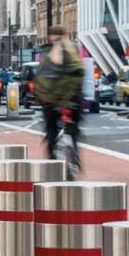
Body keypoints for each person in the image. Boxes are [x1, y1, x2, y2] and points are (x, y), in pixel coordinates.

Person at [34, 26, 86, 174]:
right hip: (72, 98)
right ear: (66, 35)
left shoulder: (45, 52)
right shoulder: (75, 49)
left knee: (51, 130)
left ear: (50, 36)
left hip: (51, 100)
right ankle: (74, 152)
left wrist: (40, 97)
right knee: (74, 128)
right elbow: (80, 73)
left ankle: (52, 160)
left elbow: (40, 76)